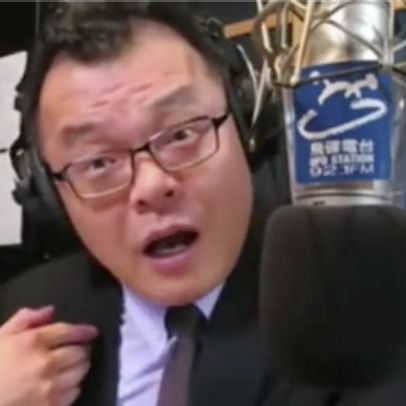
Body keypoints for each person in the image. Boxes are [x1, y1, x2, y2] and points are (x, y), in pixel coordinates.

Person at [0, 1, 336, 406]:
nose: (152, 185)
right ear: (50, 194)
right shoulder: (22, 315)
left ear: (245, 122)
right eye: (98, 162)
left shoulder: (359, 304)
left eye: (180, 135)